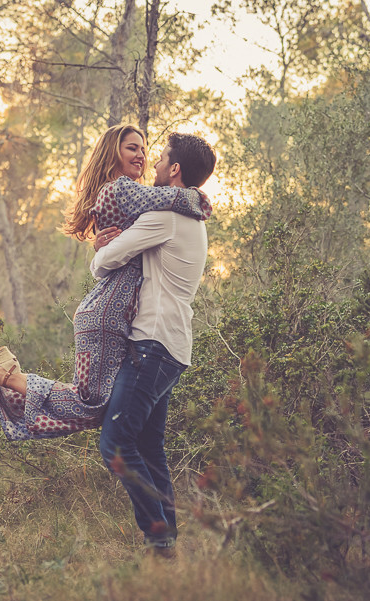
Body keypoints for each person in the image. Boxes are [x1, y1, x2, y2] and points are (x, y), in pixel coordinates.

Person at [0, 125, 212, 443]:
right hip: (109, 311)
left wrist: (102, 246)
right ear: (113, 154)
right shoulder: (122, 189)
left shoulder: (126, 194)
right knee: (90, 403)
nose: (142, 155)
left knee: (98, 409)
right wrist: (196, 197)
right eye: (132, 148)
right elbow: (171, 198)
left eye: (145, 150)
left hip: (113, 311)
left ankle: (0, 397)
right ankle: (5, 373)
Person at [93, 133, 216, 556]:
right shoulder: (194, 219)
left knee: (114, 444)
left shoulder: (165, 216)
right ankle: (167, 546)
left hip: (153, 344)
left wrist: (102, 245)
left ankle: (158, 533)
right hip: (175, 347)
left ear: (176, 170)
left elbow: (102, 263)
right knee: (149, 447)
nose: (155, 165)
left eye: (161, 158)